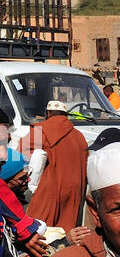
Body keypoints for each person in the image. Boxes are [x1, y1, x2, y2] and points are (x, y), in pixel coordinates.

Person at [22, 100, 89, 233]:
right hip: (75, 191)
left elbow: (18, 157)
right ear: (66, 115)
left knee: (40, 230)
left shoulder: (39, 131)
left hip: (49, 189)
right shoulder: (80, 137)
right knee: (66, 229)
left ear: (48, 113)